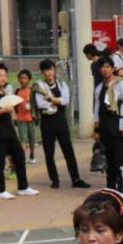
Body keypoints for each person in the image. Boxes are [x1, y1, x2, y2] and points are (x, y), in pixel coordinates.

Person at [0, 63, 36, 200]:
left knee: (19, 156)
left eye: (5, 75)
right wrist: (2, 110)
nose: (3, 78)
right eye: (0, 75)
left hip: (9, 128)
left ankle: (23, 187)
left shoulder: (5, 91)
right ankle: (0, 190)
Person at [35, 59, 89, 190]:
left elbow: (66, 101)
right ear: (42, 72)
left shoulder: (62, 84)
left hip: (61, 122)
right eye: (46, 70)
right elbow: (40, 104)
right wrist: (57, 101)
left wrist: (52, 99)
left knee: (68, 151)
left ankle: (75, 179)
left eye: (51, 69)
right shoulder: (39, 86)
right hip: (47, 123)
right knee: (49, 153)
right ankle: (54, 179)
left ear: (54, 70)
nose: (49, 73)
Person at [94, 56, 123, 193]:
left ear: (112, 69)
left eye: (107, 67)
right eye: (102, 67)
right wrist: (96, 129)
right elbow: (97, 109)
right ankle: (110, 188)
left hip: (118, 126)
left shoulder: (120, 84)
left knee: (119, 159)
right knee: (109, 161)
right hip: (105, 128)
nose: (105, 70)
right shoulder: (99, 87)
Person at [14, 69, 38, 164]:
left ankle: (32, 153)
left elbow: (36, 104)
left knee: (32, 139)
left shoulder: (32, 91)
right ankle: (22, 156)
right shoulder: (17, 91)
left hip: (30, 118)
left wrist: (35, 116)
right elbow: (14, 104)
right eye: (20, 78)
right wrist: (15, 116)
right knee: (22, 139)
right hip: (21, 119)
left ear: (29, 79)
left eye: (24, 78)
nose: (22, 80)